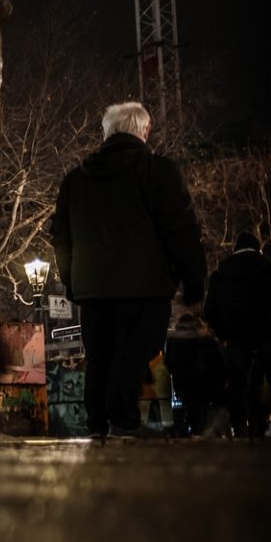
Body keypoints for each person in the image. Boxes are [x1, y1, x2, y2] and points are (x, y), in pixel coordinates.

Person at [51, 101, 206, 439]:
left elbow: (60, 236)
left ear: (107, 133)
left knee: (100, 356)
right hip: (145, 285)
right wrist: (193, 277)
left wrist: (72, 280)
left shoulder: (76, 180)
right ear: (144, 131)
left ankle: (98, 425)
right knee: (138, 347)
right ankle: (121, 418)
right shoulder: (158, 172)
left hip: (93, 288)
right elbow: (180, 227)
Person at [202, 231, 271, 438]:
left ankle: (239, 423)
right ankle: (260, 424)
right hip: (266, 333)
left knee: (237, 381)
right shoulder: (267, 268)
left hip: (236, 336)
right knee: (265, 378)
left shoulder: (220, 274)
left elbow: (209, 312)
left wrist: (224, 333)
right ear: (256, 247)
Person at [163, 313, 227, 437]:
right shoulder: (204, 339)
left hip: (182, 382)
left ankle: (193, 431)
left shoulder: (173, 341)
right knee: (201, 407)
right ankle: (202, 431)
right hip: (202, 381)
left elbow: (168, 362)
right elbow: (218, 362)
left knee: (192, 407)